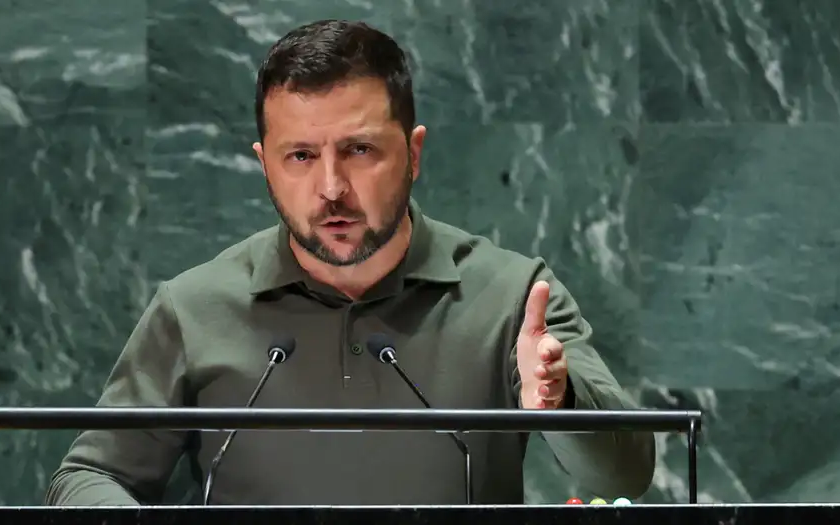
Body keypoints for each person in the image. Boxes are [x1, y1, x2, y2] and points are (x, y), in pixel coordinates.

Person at [45, 19, 655, 506]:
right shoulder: (193, 307)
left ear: (413, 153)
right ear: (264, 163)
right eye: (301, 156)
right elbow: (88, 477)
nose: (331, 187)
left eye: (359, 150)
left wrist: (558, 402)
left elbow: (625, 477)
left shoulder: (515, 297)